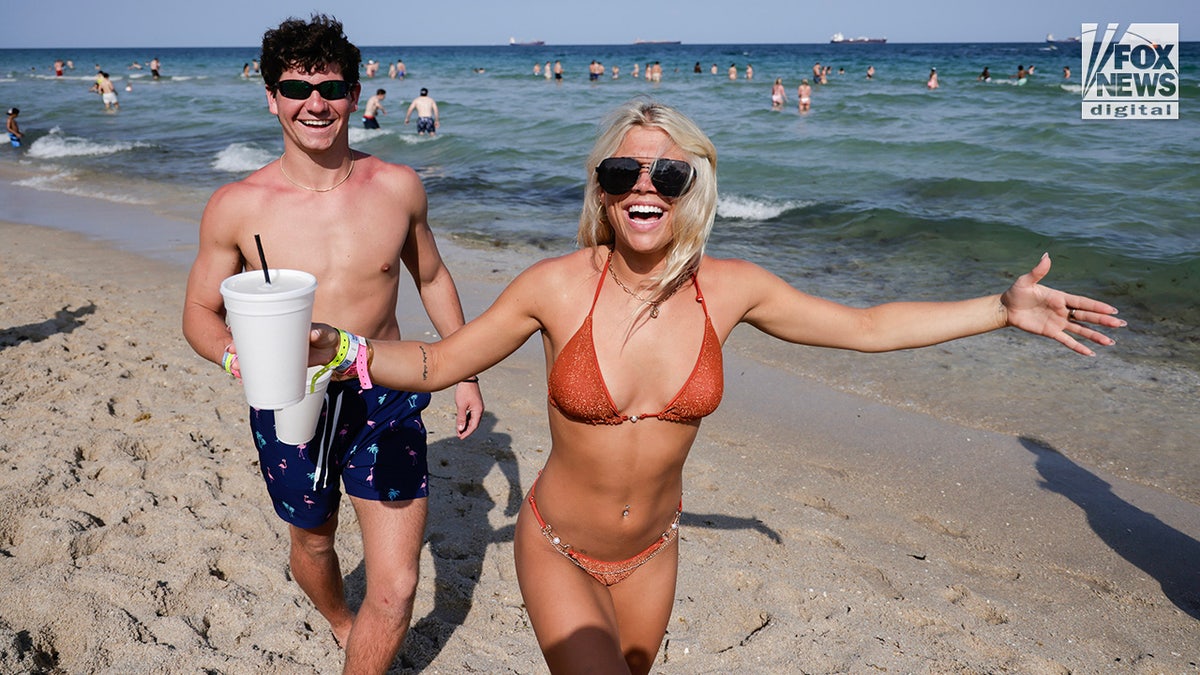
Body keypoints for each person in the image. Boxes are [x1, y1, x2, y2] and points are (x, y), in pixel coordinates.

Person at [304, 100, 1125, 673]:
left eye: (668, 174)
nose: (644, 187)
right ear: (601, 186)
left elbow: (867, 327)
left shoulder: (729, 290)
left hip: (654, 557)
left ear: (693, 187)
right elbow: (440, 362)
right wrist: (345, 350)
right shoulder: (555, 287)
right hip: (556, 546)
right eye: (624, 170)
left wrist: (998, 308)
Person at [181, 15, 484, 672]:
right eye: (295, 87)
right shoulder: (237, 206)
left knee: (398, 584)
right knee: (315, 546)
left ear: (353, 94)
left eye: (331, 87)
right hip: (291, 399)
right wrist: (239, 357)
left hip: (388, 391)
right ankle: (343, 620)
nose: (313, 103)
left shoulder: (398, 186)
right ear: (271, 97)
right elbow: (200, 314)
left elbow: (430, 275)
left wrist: (464, 369)